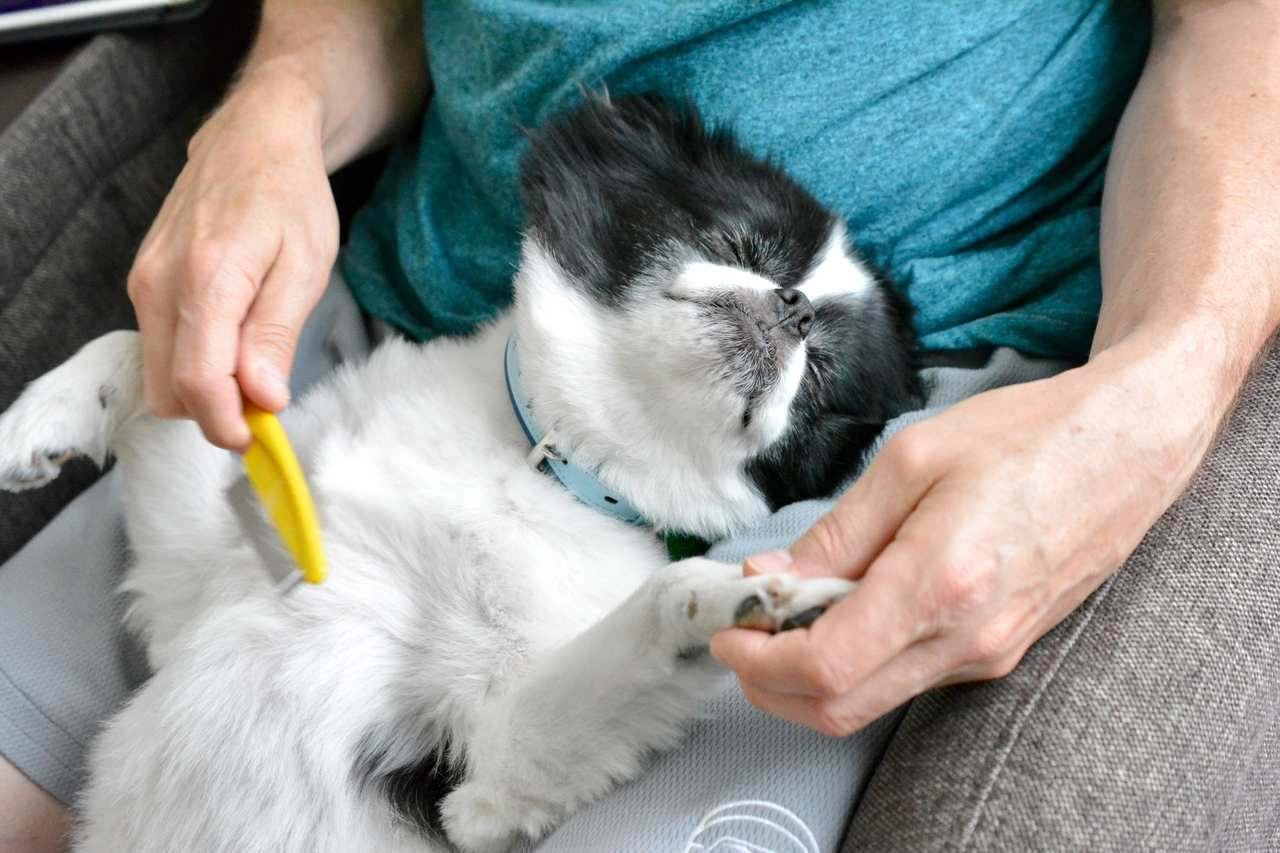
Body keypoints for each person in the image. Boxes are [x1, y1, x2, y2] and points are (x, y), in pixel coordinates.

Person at [3, 1, 1279, 850]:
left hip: (910, 428)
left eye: (807, 340)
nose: (779, 313)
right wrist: (272, 112)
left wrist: (1149, 398)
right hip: (379, 300)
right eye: (754, 265)